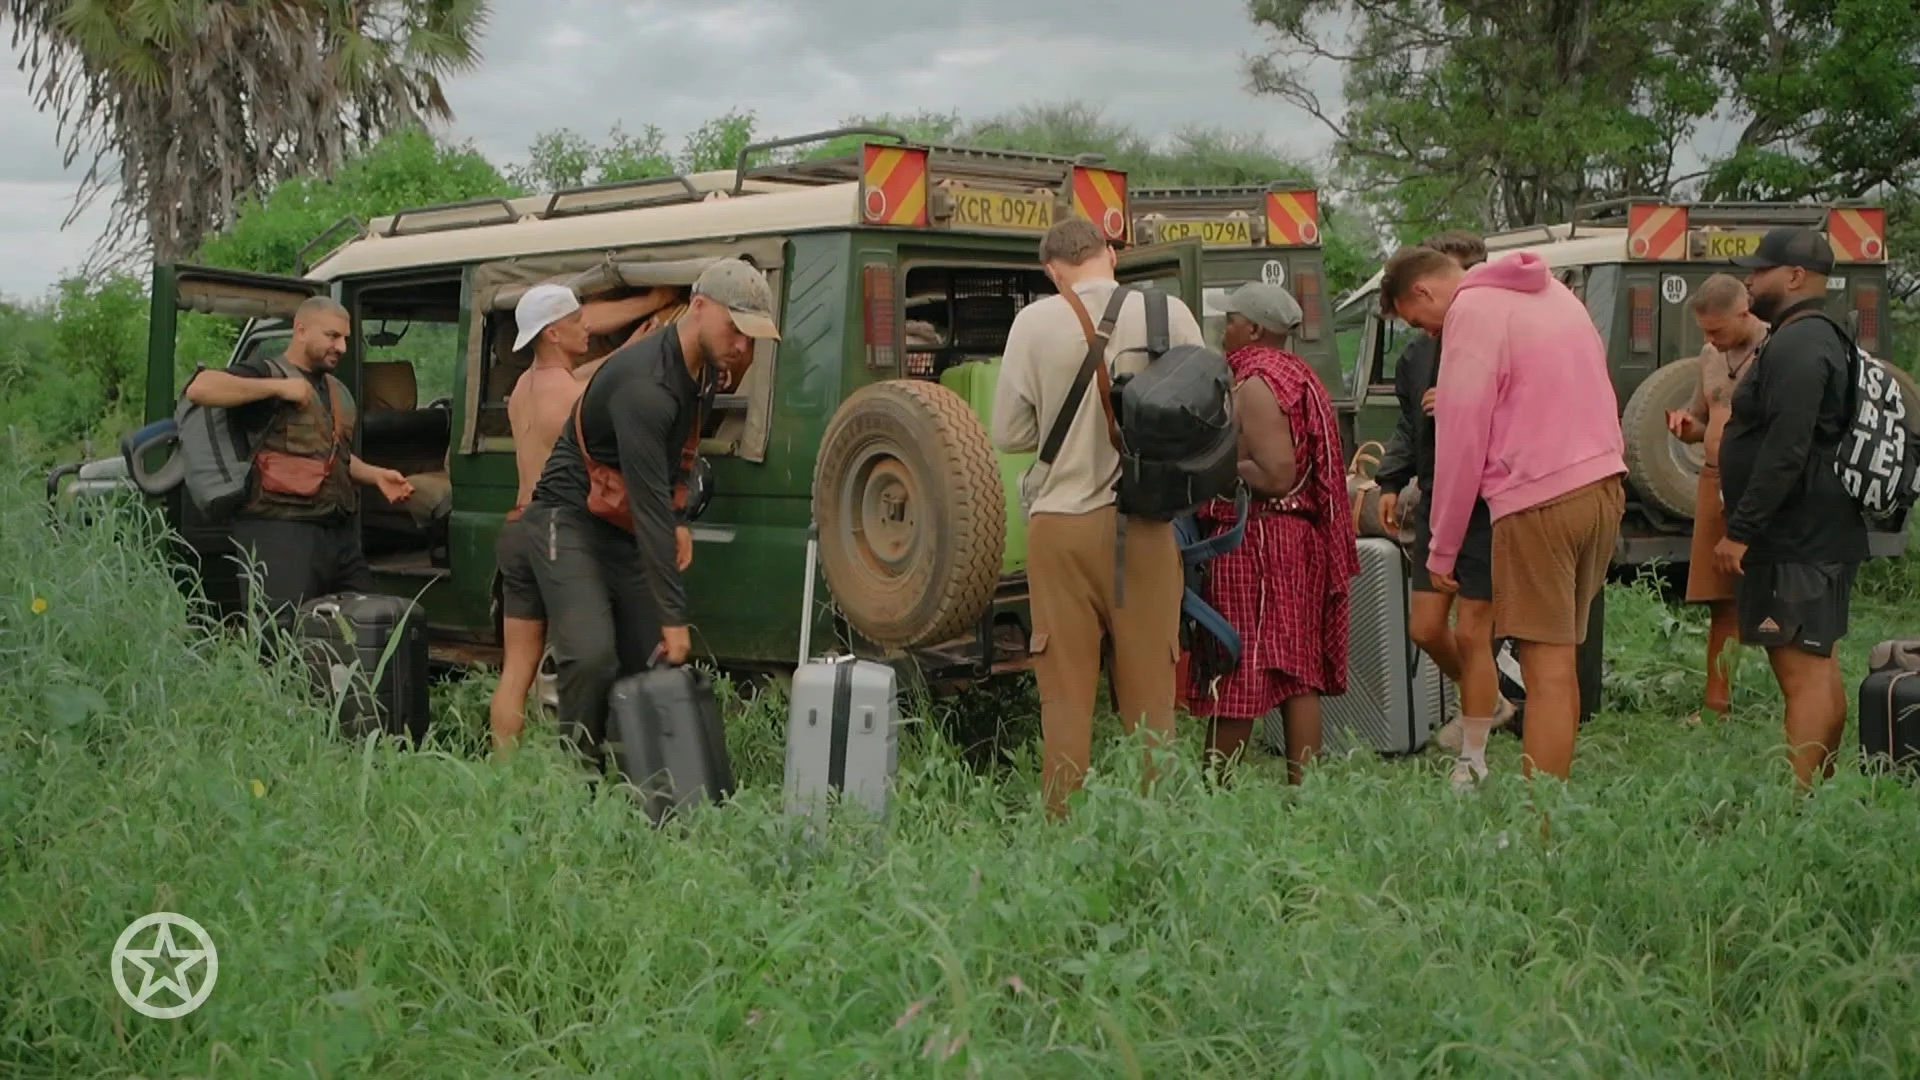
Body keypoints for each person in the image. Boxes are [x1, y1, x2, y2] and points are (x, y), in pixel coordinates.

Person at [1382, 245, 1626, 786]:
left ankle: (1540, 826)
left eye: (1421, 322)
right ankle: (1553, 806)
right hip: (1603, 486)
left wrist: (1442, 545)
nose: (1429, 334)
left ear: (1422, 290)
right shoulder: (1556, 294)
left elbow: (1462, 440)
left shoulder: (1472, 311)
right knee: (1560, 662)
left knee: (1546, 672)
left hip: (1538, 498)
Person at [521, 258, 778, 771]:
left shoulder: (702, 372)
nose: (743, 347)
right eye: (736, 330)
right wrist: (673, 616)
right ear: (699, 308)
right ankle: (577, 781)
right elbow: (649, 504)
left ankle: (647, 782)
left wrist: (680, 518)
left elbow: (676, 457)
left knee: (650, 660)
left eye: (753, 339)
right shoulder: (646, 385)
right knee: (593, 655)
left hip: (621, 524)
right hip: (566, 519)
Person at [991, 216, 1207, 818]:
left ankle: (1063, 830)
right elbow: (1207, 409)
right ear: (1109, 254)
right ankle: (1152, 827)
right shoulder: (1170, 314)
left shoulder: (1032, 322)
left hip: (1060, 528)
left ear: (1052, 269)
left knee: (1063, 697)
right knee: (1151, 700)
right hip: (1144, 522)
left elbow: (1009, 432)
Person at [488, 283, 680, 752]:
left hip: (516, 529)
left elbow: (587, 377)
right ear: (553, 333)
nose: (587, 329)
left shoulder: (524, 388)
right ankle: (588, 753)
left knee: (517, 669)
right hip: (556, 530)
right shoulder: (573, 399)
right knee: (593, 651)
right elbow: (595, 394)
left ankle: (502, 771)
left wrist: (633, 340)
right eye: (576, 323)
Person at [1185, 282, 1360, 784]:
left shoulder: (1258, 384)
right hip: (1291, 540)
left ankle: (1214, 792)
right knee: (1295, 670)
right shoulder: (1297, 375)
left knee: (1241, 663)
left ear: (1255, 329)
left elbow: (1277, 473)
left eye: (1232, 321)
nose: (1225, 330)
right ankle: (1305, 793)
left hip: (1259, 540)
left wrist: (1216, 466)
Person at [1723, 227, 1869, 788]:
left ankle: (1800, 804)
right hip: (1815, 530)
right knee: (1817, 663)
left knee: (1801, 671)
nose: (1750, 280)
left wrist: (1741, 529)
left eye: (1759, 271)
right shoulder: (1817, 336)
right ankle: (1821, 792)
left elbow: (1787, 447)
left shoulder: (1799, 344)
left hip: (1796, 536)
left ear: (1795, 277)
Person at [1372, 230, 1515, 771]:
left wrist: (1462, 398)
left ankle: (1473, 755)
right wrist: (1389, 479)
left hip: (1485, 498)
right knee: (1426, 627)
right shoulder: (1418, 351)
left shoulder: (1499, 329)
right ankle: (1491, 696)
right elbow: (1409, 423)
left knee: (1473, 629)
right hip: (1436, 495)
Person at [183, 296, 414, 626]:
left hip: (336, 535)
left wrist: (376, 475)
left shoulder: (336, 390)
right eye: (333, 336)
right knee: (280, 636)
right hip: (278, 531)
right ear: (301, 330)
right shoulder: (268, 373)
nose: (343, 346)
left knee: (369, 622)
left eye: (346, 338)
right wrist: (278, 388)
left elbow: (333, 457)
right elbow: (200, 388)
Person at [1664, 273, 1768, 726]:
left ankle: (1801, 697)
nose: (1710, 339)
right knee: (1720, 600)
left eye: (1718, 330)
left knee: (1780, 594)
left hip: (1759, 486)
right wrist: (1689, 427)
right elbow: (1706, 418)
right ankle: (1716, 704)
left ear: (1745, 312)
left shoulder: (1777, 351)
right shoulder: (1710, 355)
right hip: (1713, 479)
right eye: (1704, 331)